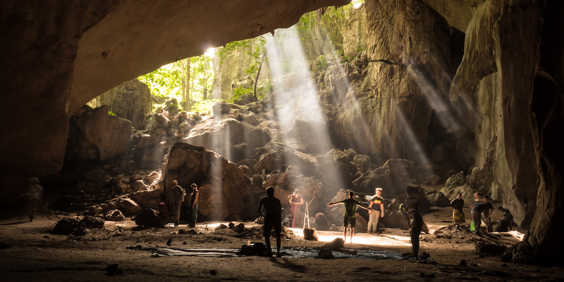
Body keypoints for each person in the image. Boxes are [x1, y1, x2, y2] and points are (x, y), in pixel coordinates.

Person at [257, 186, 282, 258]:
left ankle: (269, 251)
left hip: (269, 217)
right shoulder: (277, 200)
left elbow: (258, 210)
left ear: (267, 193)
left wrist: (264, 215)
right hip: (277, 217)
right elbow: (280, 210)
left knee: (267, 235)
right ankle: (278, 252)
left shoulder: (263, 199)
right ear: (273, 193)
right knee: (278, 235)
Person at [403, 184, 424, 258]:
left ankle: (414, 253)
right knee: (414, 236)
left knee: (414, 236)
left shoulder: (408, 200)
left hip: (414, 219)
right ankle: (414, 252)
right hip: (417, 218)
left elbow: (406, 208)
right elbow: (421, 208)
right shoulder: (417, 199)